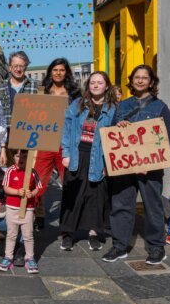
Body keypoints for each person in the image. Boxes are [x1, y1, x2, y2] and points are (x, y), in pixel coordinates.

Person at [102, 64, 170, 265]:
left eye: (144, 77)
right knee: (121, 205)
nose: (140, 80)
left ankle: (156, 247)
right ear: (132, 81)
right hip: (125, 166)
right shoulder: (122, 106)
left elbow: (167, 138)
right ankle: (119, 246)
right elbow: (112, 135)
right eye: (137, 77)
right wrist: (119, 126)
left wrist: (151, 162)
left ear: (151, 82)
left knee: (153, 206)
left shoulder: (160, 107)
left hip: (150, 167)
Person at [59, 71, 117, 252]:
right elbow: (66, 130)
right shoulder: (77, 105)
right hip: (78, 156)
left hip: (98, 157)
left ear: (107, 86)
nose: (96, 85)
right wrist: (66, 154)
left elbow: (115, 138)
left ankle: (93, 233)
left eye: (100, 82)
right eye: (92, 82)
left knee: (96, 197)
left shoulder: (114, 109)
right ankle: (67, 234)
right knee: (72, 195)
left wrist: (109, 163)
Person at [33, 58, 82, 231]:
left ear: (66, 72)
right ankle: (36, 217)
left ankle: (68, 222)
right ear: (50, 72)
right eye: (55, 70)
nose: (58, 73)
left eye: (62, 70)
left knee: (68, 181)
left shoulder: (75, 92)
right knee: (37, 181)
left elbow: (80, 117)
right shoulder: (42, 90)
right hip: (45, 140)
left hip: (66, 143)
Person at [0, 149, 42, 274]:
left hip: (27, 209)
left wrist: (31, 194)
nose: (21, 158)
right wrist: (17, 192)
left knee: (28, 235)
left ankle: (30, 257)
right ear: (13, 157)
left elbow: (38, 187)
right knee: (11, 234)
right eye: (18, 155)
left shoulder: (32, 172)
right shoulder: (10, 170)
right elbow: (6, 188)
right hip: (12, 208)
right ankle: (8, 257)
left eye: (25, 155)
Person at [0, 51, 38, 135]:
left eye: (21, 66)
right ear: (10, 68)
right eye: (15, 66)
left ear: (25, 67)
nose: (18, 69)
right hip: (7, 137)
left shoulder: (35, 87)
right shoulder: (0, 90)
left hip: (29, 135)